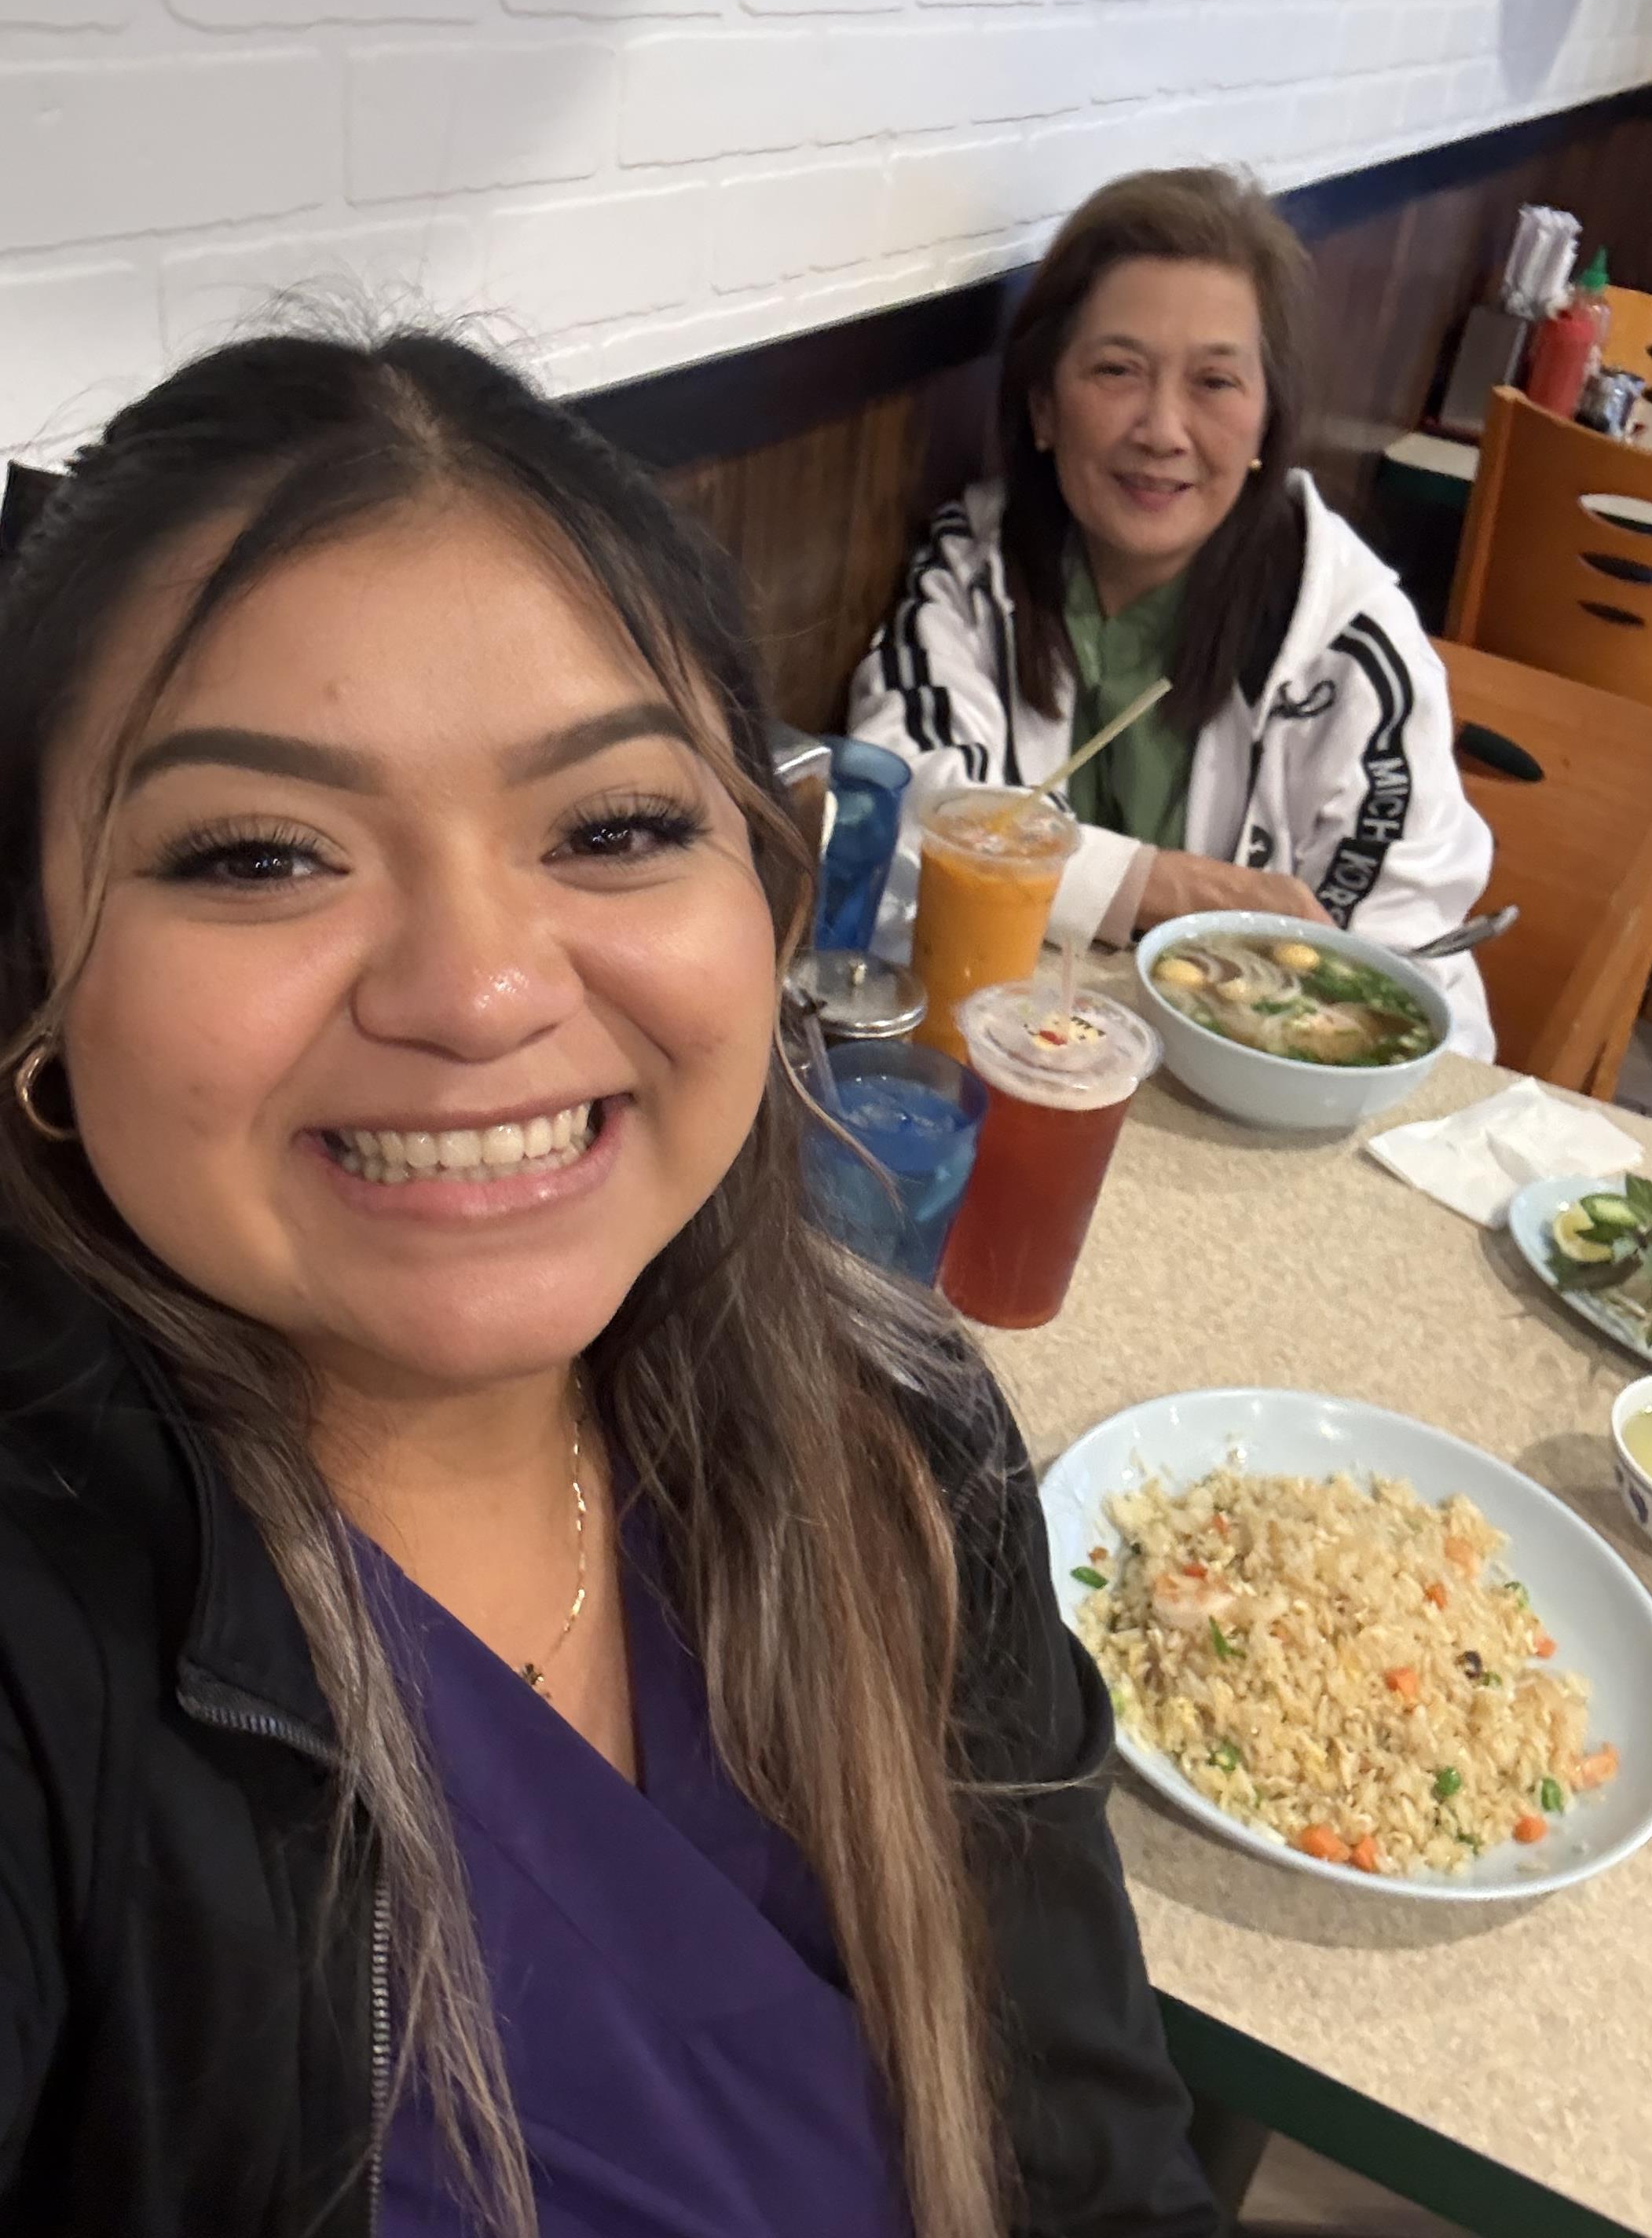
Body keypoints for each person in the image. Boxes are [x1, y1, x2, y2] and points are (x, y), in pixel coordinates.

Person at [0, 331, 1223, 2237]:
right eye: (257, 853)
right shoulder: (46, 1635)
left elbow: (1097, 2171)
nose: (478, 990)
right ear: (43, 983)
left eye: (615, 825)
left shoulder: (897, 1450)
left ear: (764, 888)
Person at [848, 167, 1496, 1056]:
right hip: (1030, 1072)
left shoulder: (1353, 647)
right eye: (1118, 370)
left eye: (1215, 383)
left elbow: (1401, 981)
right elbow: (903, 818)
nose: (1161, 428)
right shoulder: (973, 576)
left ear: (1268, 421)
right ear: (1043, 406)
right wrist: (1162, 887)